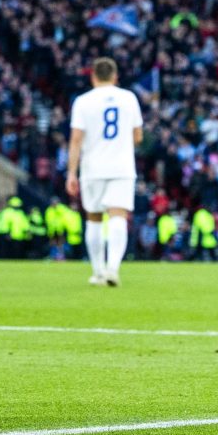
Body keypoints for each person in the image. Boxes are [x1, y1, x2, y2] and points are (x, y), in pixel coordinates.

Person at [66, 57, 144, 286]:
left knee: (94, 217)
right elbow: (138, 136)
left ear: (93, 76)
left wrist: (71, 173)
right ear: (115, 76)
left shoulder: (83, 101)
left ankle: (98, 271)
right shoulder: (129, 98)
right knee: (118, 216)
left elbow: (76, 140)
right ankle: (113, 269)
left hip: (92, 167)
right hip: (122, 167)